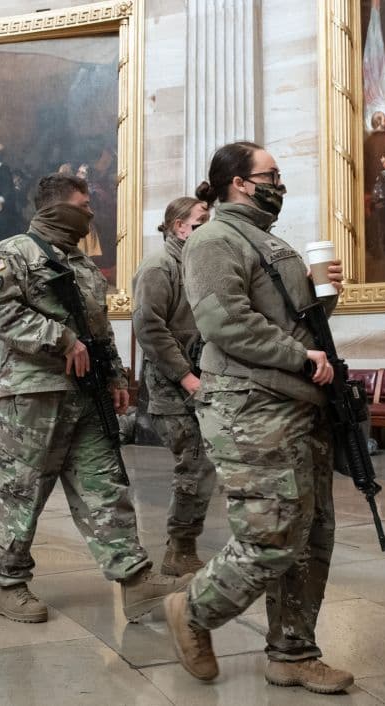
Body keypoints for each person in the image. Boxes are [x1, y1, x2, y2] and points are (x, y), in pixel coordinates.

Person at [163, 142, 353, 693]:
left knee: (311, 534)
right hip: (252, 407)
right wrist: (301, 358)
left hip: (297, 405)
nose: (280, 182)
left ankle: (293, 651)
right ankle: (194, 610)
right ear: (241, 183)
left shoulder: (271, 242)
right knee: (271, 534)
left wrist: (324, 294)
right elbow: (226, 323)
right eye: (271, 174)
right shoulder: (214, 240)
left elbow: (298, 326)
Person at [0, 173, 190, 624]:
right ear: (55, 206)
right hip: (33, 395)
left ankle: (135, 583)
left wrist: (115, 375)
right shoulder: (13, 253)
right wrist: (62, 339)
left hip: (85, 395)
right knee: (23, 491)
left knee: (105, 487)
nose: (91, 212)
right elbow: (0, 315)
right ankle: (8, 584)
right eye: (83, 204)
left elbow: (99, 329)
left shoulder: (83, 263)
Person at [132, 197, 216, 576]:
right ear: (179, 226)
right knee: (195, 461)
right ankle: (179, 549)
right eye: (201, 222)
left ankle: (183, 545)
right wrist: (185, 375)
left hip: (200, 379)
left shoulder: (198, 263)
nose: (207, 227)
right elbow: (149, 327)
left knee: (202, 463)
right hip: (171, 385)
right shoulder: (159, 267)